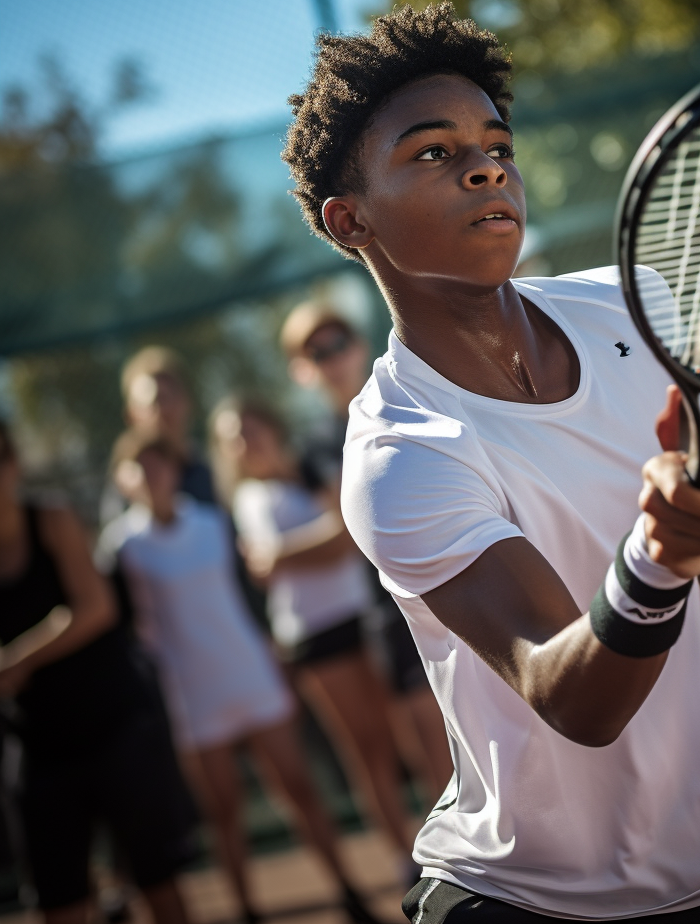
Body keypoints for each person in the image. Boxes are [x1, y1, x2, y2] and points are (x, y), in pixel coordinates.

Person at [280, 2, 700, 922]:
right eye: (432, 152)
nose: (484, 164)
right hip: (524, 899)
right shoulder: (400, 454)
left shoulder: (633, 307)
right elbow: (574, 699)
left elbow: (696, 490)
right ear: (350, 220)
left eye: (495, 144)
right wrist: (659, 558)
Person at [98, 429, 374, 924]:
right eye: (136, 466)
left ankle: (348, 891)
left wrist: (273, 650)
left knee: (299, 788)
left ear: (175, 469)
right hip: (190, 694)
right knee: (224, 812)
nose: (150, 474)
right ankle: (246, 909)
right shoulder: (121, 548)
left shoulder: (213, 523)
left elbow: (254, 591)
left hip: (249, 672)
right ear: (122, 479)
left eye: (158, 462)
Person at [210, 396, 417, 877]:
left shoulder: (312, 471)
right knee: (365, 747)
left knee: (400, 735)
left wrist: (298, 549)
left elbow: (338, 540)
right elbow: (336, 541)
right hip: (313, 637)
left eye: (251, 426)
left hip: (362, 618)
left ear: (272, 427)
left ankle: (437, 842)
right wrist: (325, 538)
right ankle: (401, 854)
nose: (246, 441)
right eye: (233, 437)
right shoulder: (250, 500)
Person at [0, 419, 194, 924]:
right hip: (37, 748)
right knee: (59, 903)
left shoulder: (53, 521)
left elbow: (95, 608)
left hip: (114, 728)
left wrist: (19, 658)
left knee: (160, 884)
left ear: (14, 463)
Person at [281, 300, 452, 801]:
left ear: (358, 346)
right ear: (301, 371)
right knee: (428, 742)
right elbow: (347, 529)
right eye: (317, 352)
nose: (332, 357)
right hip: (389, 606)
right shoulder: (314, 446)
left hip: (451, 578)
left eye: (338, 343)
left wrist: (278, 555)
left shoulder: (407, 400)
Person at [100, 347, 216, 526]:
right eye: (152, 402)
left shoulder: (212, 474)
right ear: (131, 415)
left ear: (188, 403)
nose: (163, 410)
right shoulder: (124, 487)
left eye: (170, 397)